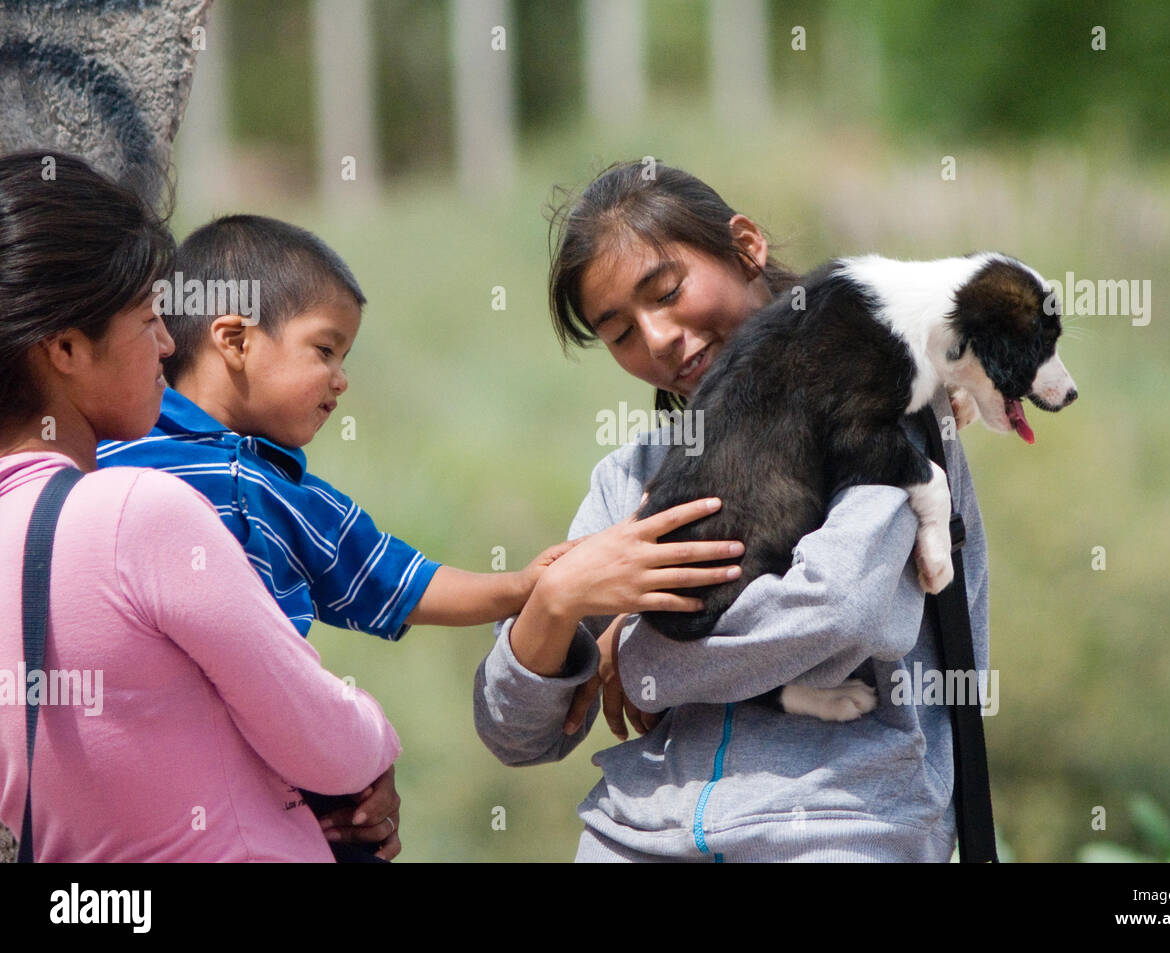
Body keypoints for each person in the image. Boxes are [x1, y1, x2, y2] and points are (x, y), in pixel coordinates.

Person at [473, 161, 991, 862]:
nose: (656, 339)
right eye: (620, 332)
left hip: (841, 829)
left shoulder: (878, 413)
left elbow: (844, 611)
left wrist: (634, 650)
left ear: (746, 245)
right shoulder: (630, 478)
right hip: (631, 836)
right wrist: (556, 604)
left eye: (667, 292)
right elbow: (516, 733)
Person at [96, 215, 574, 854]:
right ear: (234, 339)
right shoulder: (111, 452)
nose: (341, 379)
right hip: (133, 757)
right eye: (325, 350)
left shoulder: (293, 495)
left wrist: (519, 588)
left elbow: (402, 582)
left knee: (357, 827)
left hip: (274, 757)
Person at [0, 150, 399, 862]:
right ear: (64, 346)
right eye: (148, 318)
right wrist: (371, 737)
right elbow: (327, 742)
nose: (164, 345)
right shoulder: (136, 514)